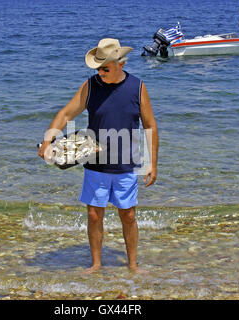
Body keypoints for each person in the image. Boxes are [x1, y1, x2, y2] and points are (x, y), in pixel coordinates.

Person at [38, 38, 158, 274]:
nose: (100, 72)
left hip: (127, 163)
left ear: (120, 64)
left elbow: (150, 126)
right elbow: (65, 113)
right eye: (98, 68)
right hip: (95, 162)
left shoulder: (138, 87)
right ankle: (96, 264)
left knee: (129, 215)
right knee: (94, 215)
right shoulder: (90, 87)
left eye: (105, 68)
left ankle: (133, 265)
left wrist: (152, 163)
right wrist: (47, 140)